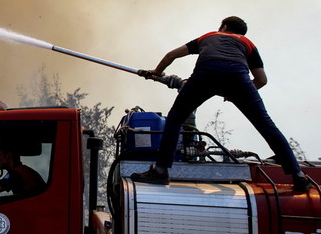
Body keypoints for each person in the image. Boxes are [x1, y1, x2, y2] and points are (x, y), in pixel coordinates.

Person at [131, 16, 312, 193]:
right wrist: (237, 93)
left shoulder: (208, 36)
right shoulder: (248, 44)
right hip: (239, 79)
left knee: (175, 119)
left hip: (205, 75)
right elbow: (261, 80)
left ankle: (160, 171)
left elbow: (172, 55)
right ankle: (298, 176)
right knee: (266, 126)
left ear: (224, 27)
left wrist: (157, 72)